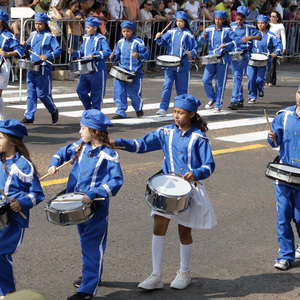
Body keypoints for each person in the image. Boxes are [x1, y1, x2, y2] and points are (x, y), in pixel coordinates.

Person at [113, 94, 216, 290]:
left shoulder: (199, 138)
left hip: (189, 190)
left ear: (192, 114)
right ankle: (156, 275)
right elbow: (141, 145)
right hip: (166, 188)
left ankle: (184, 272)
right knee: (158, 228)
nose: (176, 116)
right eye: (175, 112)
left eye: (181, 113)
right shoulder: (165, 132)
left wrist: (195, 173)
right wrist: (116, 142)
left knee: (184, 232)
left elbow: (209, 165)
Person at [47, 109, 123, 300]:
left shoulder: (108, 155)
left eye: (83, 128)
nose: (80, 132)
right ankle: (92, 275)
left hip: (96, 208)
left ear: (95, 131)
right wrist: (53, 164)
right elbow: (61, 152)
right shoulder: (80, 146)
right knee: (87, 245)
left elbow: (116, 181)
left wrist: (93, 192)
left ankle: (87, 291)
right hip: (78, 206)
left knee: (91, 245)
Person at [0, 119, 44, 297]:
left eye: (0, 138)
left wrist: (21, 203)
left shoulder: (23, 165)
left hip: (13, 219)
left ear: (12, 141)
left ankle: (10, 292)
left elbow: (37, 194)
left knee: (1, 254)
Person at [267, 85, 300, 270]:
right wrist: (272, 137)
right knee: (283, 215)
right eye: (299, 93)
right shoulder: (284, 115)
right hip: (283, 174)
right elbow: (275, 139)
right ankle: (285, 255)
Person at [21, 12, 61, 125]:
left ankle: (53, 110)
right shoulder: (33, 34)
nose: (37, 26)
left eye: (40, 24)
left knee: (43, 94)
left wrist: (47, 56)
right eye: (36, 23)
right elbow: (28, 48)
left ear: (45, 24)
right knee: (31, 93)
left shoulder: (49, 36)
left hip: (44, 68)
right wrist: (24, 45)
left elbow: (58, 50)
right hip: (32, 66)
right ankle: (29, 116)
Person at [155, 11, 198, 116]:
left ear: (185, 22)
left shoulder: (188, 34)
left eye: (181, 21)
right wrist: (159, 37)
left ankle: (182, 108)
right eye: (178, 21)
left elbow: (195, 49)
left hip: (182, 66)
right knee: (167, 86)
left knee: (182, 89)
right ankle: (163, 108)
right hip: (169, 65)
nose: (179, 23)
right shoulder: (171, 32)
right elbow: (161, 43)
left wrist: (190, 53)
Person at [198, 10, 240, 112]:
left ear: (223, 20)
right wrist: (202, 37)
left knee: (220, 83)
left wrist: (226, 45)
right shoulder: (209, 29)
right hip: (211, 58)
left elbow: (237, 40)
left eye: (220, 19)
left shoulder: (227, 30)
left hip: (223, 59)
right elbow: (201, 41)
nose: (217, 21)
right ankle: (212, 98)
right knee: (205, 80)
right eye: (216, 19)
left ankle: (218, 104)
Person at [68, 17, 111, 111]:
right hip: (85, 70)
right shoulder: (86, 38)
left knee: (97, 94)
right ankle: (89, 109)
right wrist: (73, 52)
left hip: (97, 70)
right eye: (86, 27)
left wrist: (95, 54)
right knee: (80, 90)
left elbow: (107, 52)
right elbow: (81, 53)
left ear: (95, 28)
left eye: (88, 27)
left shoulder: (101, 39)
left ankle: (95, 114)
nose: (86, 29)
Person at [109, 21, 149, 119]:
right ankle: (120, 111)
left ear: (132, 31)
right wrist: (113, 57)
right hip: (121, 71)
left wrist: (138, 55)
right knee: (119, 91)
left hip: (134, 72)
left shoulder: (138, 42)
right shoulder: (120, 42)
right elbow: (117, 56)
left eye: (128, 31)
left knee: (133, 93)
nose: (126, 33)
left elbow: (146, 55)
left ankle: (138, 109)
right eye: (123, 31)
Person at [228, 6, 261, 110]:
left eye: (241, 19)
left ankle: (234, 100)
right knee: (236, 77)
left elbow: (259, 36)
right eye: (237, 19)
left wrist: (249, 38)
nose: (239, 21)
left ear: (245, 19)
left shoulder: (249, 27)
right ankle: (240, 98)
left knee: (237, 76)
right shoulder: (231, 26)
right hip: (233, 54)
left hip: (244, 54)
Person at [247, 14, 283, 104]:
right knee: (251, 78)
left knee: (260, 79)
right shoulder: (253, 34)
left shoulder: (271, 35)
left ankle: (260, 88)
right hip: (252, 59)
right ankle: (252, 96)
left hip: (265, 60)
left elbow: (279, 45)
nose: (260, 25)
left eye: (262, 23)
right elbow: (247, 44)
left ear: (266, 24)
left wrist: (276, 52)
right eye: (258, 23)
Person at [0, 11, 24, 120]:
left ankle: (1, 117)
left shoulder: (8, 36)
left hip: (2, 65)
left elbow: (20, 51)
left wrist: (7, 53)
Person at [266, 11, 286, 86]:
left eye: (274, 16)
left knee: (272, 63)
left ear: (277, 18)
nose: (272, 18)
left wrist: (284, 47)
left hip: (276, 47)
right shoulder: (267, 25)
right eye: (271, 16)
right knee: (267, 63)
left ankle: (271, 80)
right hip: (268, 46)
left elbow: (283, 37)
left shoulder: (280, 26)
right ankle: (267, 80)